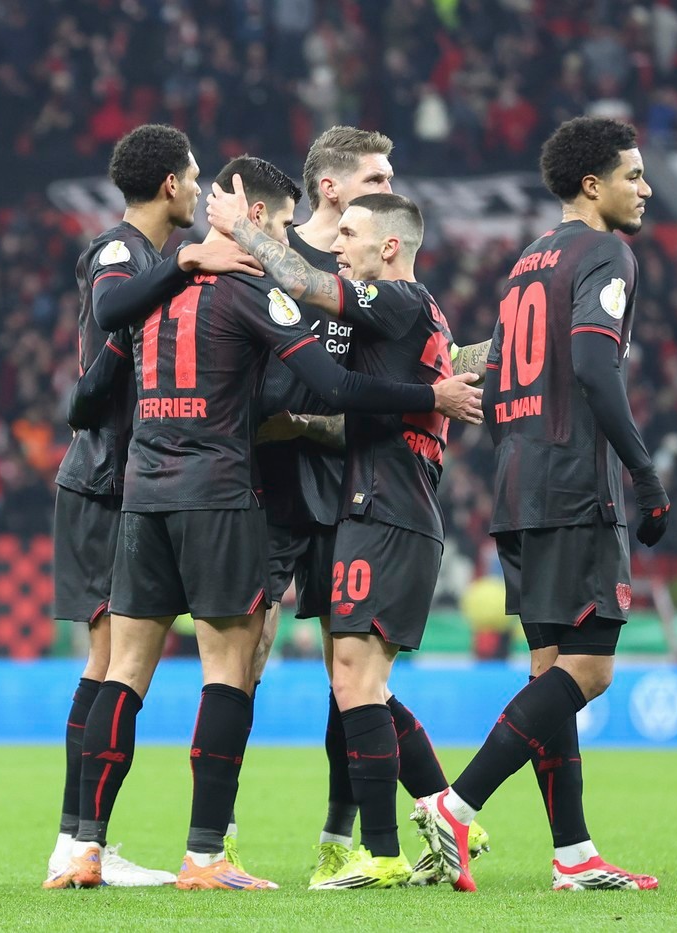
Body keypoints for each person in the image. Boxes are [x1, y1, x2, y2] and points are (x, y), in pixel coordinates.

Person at [45, 155, 481, 892]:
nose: (289, 240)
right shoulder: (251, 292)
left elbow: (87, 395)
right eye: (279, 227)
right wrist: (430, 393)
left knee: (123, 670)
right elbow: (332, 384)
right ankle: (207, 855)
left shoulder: (153, 293)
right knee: (230, 669)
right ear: (254, 222)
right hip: (217, 495)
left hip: (142, 495)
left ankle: (82, 846)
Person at [408, 116, 670, 893]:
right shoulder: (607, 252)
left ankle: (573, 854)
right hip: (574, 483)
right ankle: (457, 804)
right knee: (590, 672)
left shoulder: (527, 263)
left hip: (519, 481)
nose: (646, 188)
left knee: (550, 665)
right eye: (633, 174)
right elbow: (594, 365)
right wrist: (645, 475)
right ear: (593, 184)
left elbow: (500, 377)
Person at [245, 126, 491, 886]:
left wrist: (247, 237)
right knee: (366, 684)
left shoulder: (395, 299)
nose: (339, 245)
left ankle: (378, 853)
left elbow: (309, 287)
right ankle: (444, 812)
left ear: (389, 248)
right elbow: (367, 401)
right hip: (390, 505)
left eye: (352, 235)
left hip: (383, 507)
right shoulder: (422, 315)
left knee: (354, 681)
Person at [44, 122, 257, 889]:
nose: (200, 189)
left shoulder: (155, 259)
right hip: (106, 478)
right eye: (195, 176)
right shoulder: (119, 251)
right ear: (170, 184)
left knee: (114, 663)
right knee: (110, 663)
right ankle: (73, 843)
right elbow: (110, 313)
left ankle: (80, 843)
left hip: (127, 478)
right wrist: (189, 262)